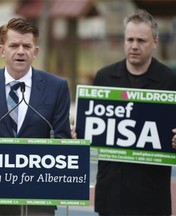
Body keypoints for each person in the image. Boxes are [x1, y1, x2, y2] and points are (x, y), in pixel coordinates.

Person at [0, 17, 71, 216]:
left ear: (35, 52)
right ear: (2, 50)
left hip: (37, 200)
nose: (20, 51)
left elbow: (61, 140)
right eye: (14, 45)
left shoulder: (57, 87)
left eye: (27, 45)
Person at [93, 9, 176, 215]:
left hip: (151, 196)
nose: (134, 46)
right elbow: (92, 130)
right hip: (111, 194)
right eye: (129, 39)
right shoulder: (104, 78)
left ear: (155, 42)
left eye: (141, 40)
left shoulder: (170, 81)